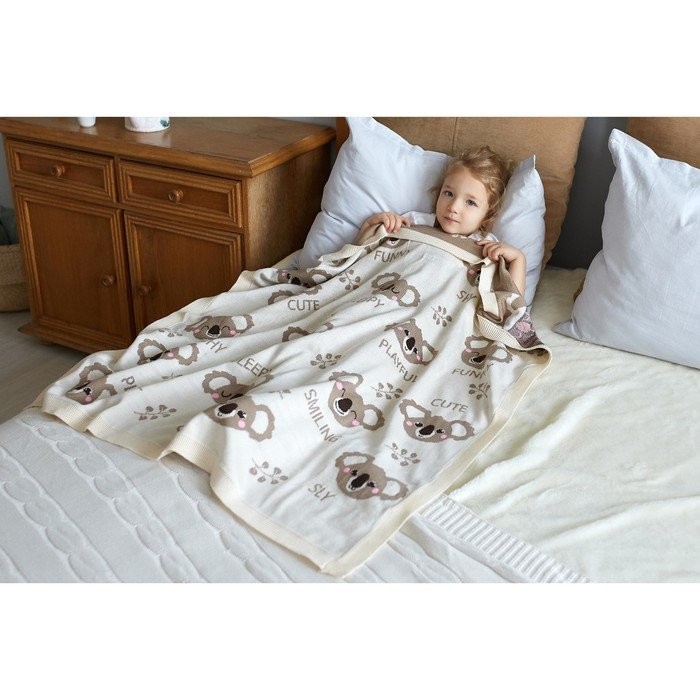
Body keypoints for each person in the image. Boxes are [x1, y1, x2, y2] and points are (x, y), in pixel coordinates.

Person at [355, 146, 526, 296]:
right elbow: (363, 255)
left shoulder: (487, 246)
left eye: (470, 202)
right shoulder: (414, 221)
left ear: (487, 215)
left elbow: (509, 304)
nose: (454, 207)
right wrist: (373, 225)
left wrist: (518, 260)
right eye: (448, 194)